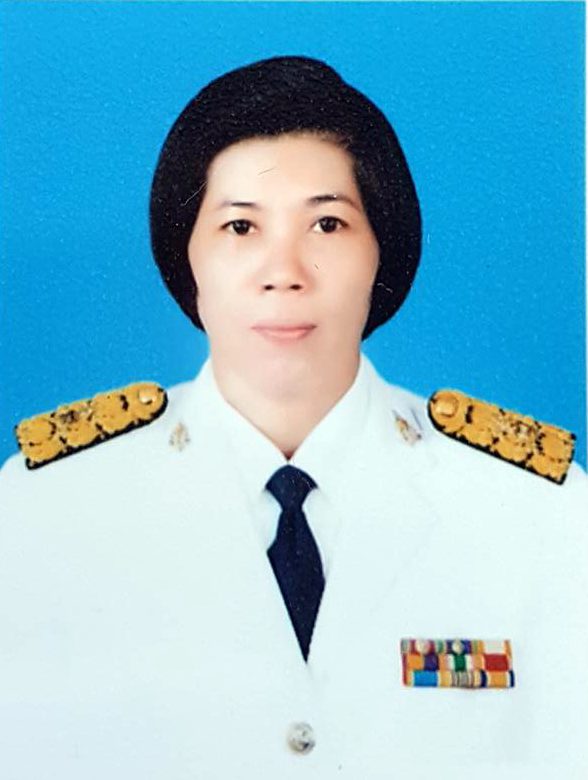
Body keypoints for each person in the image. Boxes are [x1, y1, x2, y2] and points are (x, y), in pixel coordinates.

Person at [0, 56, 586, 779]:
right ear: (186, 257)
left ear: (383, 252)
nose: (284, 271)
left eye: (328, 224)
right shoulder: (44, 512)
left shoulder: (536, 513)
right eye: (240, 226)